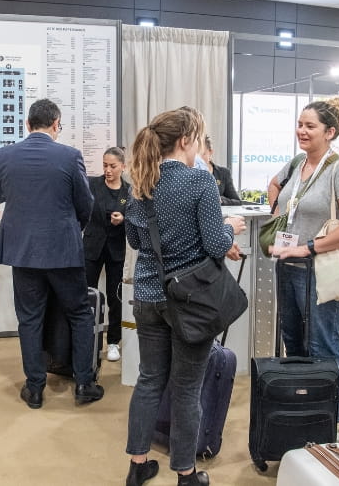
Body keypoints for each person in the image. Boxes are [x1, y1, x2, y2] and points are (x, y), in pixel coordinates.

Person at [123, 107, 246, 486]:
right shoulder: (200, 182)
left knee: (149, 380)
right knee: (186, 388)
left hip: (147, 295)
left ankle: (138, 465)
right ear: (185, 140)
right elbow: (214, 244)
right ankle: (186, 473)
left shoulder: (140, 181)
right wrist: (229, 226)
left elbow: (134, 241)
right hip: (191, 301)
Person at [0, 98, 104, 409]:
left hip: (23, 253)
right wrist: (72, 229)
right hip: (63, 251)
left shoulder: (6, 155)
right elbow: (86, 204)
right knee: (79, 314)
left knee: (29, 319)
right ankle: (84, 384)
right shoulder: (69, 156)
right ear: (56, 123)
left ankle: (35, 389)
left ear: (27, 125)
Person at [267, 97, 339, 423]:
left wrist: (308, 246)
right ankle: (301, 413)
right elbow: (274, 186)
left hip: (321, 270)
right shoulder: (297, 164)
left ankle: (329, 423)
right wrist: (280, 222)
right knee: (293, 344)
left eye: (310, 126)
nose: (302, 131)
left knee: (323, 345)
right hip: (288, 268)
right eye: (300, 124)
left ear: (330, 131)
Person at [83, 146, 129, 362]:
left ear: (123, 166)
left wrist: (124, 220)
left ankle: (113, 342)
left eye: (112, 166)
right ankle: (87, 340)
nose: (108, 170)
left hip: (116, 251)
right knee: (87, 295)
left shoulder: (129, 192)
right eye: (104, 165)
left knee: (115, 297)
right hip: (92, 248)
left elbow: (136, 219)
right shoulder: (92, 185)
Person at [201, 135, 241, 205]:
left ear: (210, 152)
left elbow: (237, 202)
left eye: (203, 154)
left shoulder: (223, 173)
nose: (199, 159)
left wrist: (220, 199)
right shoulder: (188, 174)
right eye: (196, 155)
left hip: (220, 215)